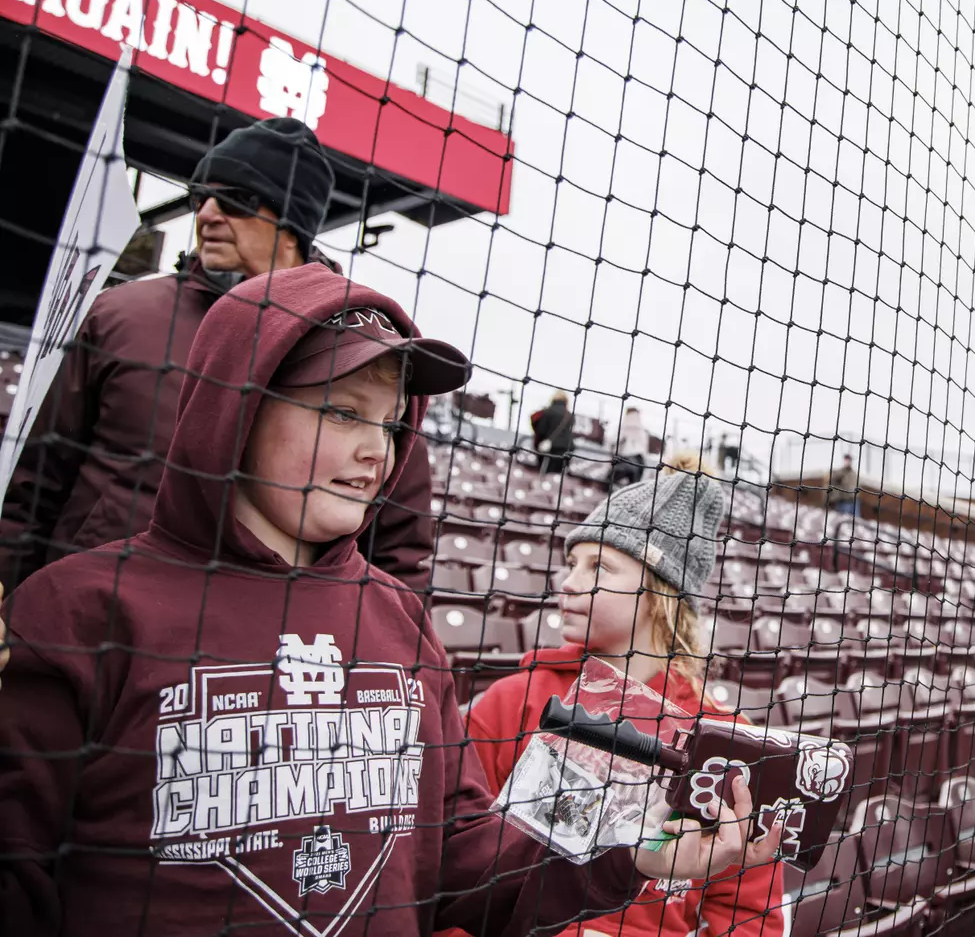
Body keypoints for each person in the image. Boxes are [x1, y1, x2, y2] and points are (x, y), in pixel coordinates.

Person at [0, 264, 776, 934]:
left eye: (390, 421)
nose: (379, 450)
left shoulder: (397, 619)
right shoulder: (78, 609)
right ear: (235, 405)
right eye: (341, 412)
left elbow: (461, 861)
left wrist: (629, 859)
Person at [0, 117, 435, 590]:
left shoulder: (362, 338)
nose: (207, 214)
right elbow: (34, 482)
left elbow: (397, 545)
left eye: (236, 201)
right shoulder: (119, 314)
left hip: (257, 633)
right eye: (198, 198)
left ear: (292, 225)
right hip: (92, 613)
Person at [462, 471, 786, 937]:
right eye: (571, 563)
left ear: (659, 593)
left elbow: (752, 916)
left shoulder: (725, 734)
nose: (568, 582)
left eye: (598, 568)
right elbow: (448, 880)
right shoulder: (511, 703)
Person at [532, 391, 576, 475]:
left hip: (551, 450)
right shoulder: (570, 415)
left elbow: (541, 430)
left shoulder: (547, 412)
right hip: (566, 450)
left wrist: (538, 445)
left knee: (547, 474)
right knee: (559, 476)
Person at [611, 405, 648, 488]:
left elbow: (614, 441)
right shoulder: (641, 428)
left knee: (610, 481)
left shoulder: (624, 425)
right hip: (637, 459)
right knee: (634, 486)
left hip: (625, 458)